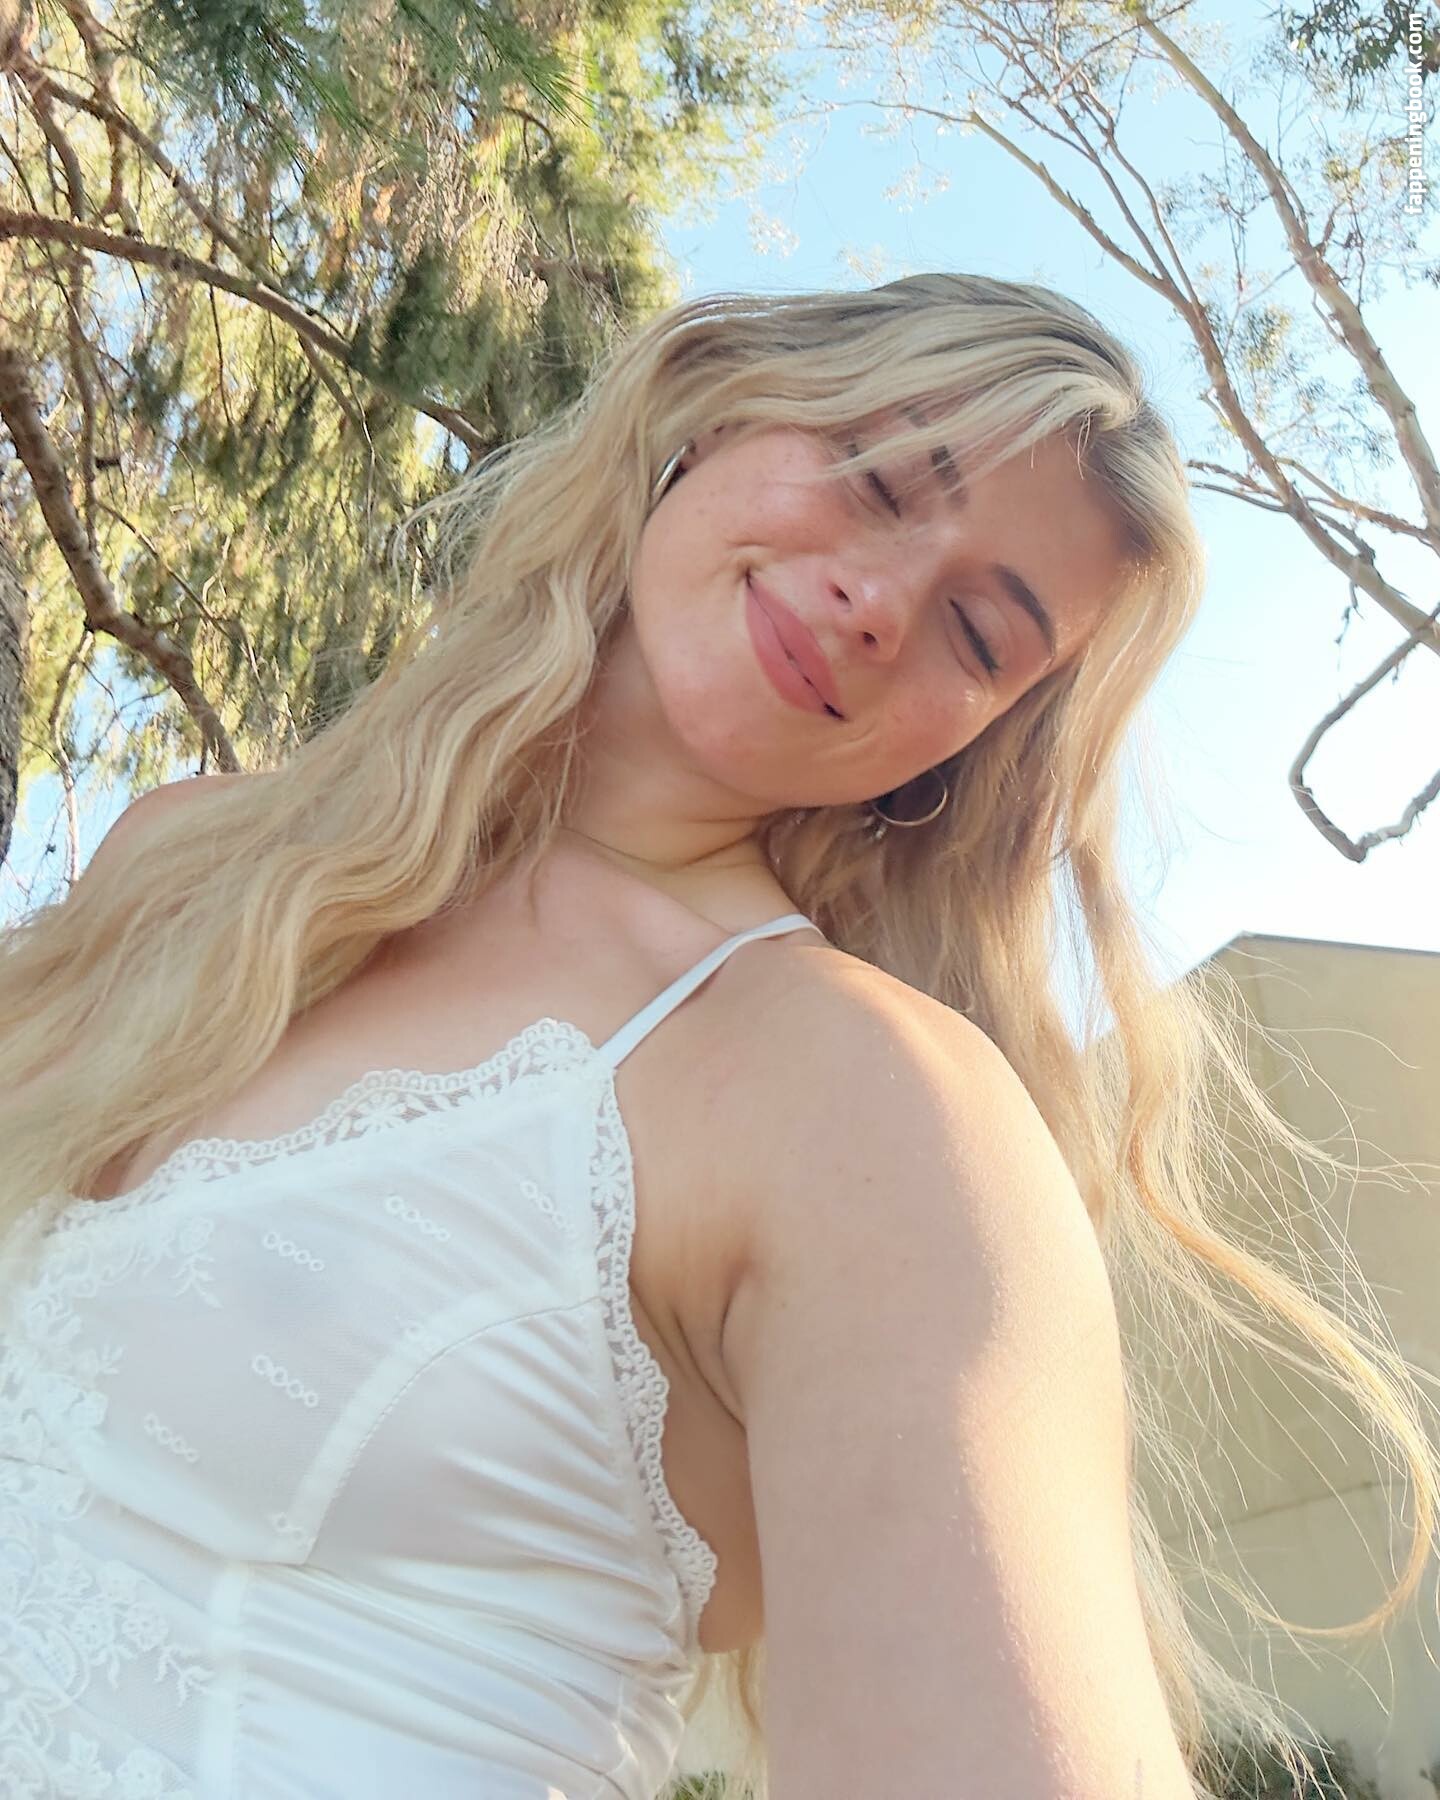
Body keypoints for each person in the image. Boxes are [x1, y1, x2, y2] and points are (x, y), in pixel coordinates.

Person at [0, 275, 1435, 1800]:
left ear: (968, 747)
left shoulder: (860, 1109)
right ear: (715, 411)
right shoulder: (191, 857)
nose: (883, 603)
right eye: (881, 481)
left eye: (975, 634)